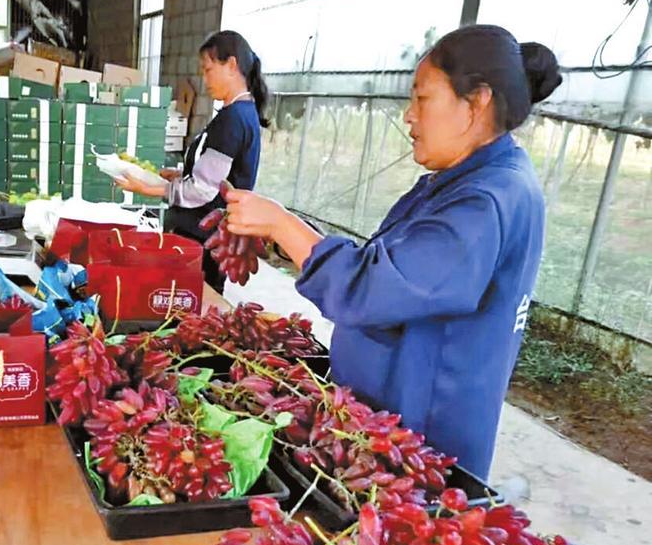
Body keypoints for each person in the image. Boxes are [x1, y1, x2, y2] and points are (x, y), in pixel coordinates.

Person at [221, 24, 562, 481]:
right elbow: (389, 264)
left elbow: (373, 288)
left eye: (422, 99)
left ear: (476, 103)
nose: (409, 115)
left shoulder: (484, 202)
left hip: (418, 442)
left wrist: (283, 225)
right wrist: (284, 237)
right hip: (386, 425)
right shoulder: (464, 181)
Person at [114, 30, 269, 292]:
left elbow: (202, 189)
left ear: (231, 65)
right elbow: (219, 176)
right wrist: (179, 175)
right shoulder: (239, 113)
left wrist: (149, 188)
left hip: (203, 238)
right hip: (206, 235)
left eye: (208, 70)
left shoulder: (233, 119)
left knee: (194, 301)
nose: (204, 79)